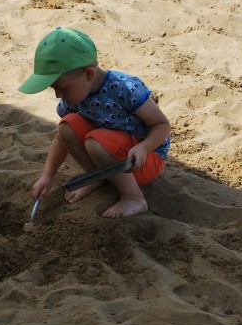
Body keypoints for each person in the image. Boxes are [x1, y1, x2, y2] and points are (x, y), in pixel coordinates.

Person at [19, 27, 172, 219]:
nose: (58, 95)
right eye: (54, 89)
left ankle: (133, 197)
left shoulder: (125, 88)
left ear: (88, 75)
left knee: (96, 142)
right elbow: (61, 139)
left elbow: (162, 125)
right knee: (67, 125)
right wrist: (47, 176)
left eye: (63, 88)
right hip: (109, 152)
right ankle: (96, 177)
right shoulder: (73, 98)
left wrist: (143, 147)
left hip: (140, 161)